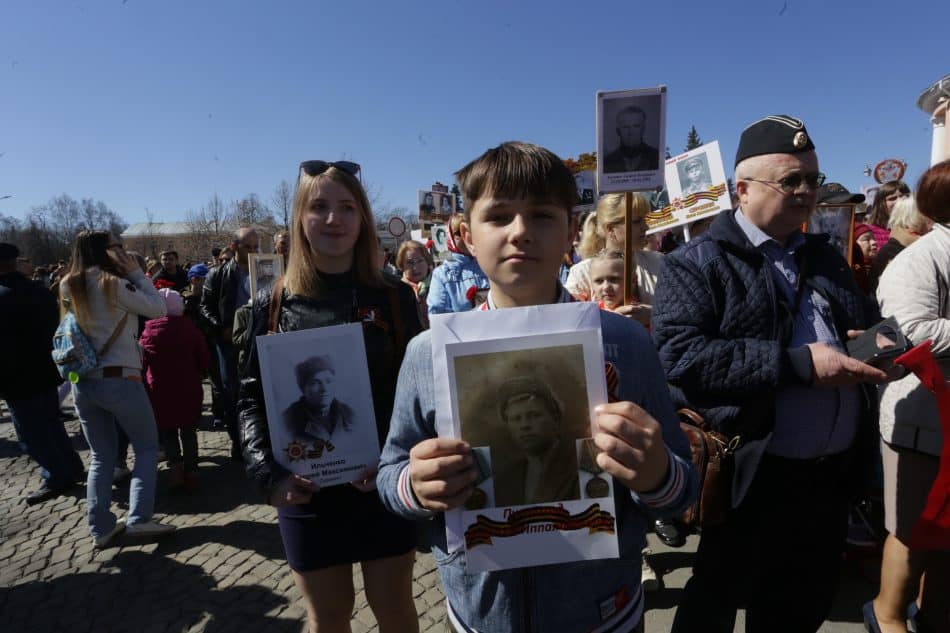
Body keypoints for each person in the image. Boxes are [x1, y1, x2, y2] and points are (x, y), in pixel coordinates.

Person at [377, 141, 697, 633]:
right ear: (465, 235)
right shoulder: (427, 353)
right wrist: (415, 487)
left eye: (542, 216)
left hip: (600, 612)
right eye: (499, 216)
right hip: (482, 612)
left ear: (571, 230)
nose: (521, 232)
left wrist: (656, 475)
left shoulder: (625, 344)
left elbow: (680, 486)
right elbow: (390, 473)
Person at [652, 115, 888, 633]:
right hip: (752, 473)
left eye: (813, 179)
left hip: (829, 477)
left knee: (799, 606)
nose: (807, 192)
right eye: (791, 181)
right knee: (717, 596)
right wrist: (798, 364)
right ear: (742, 189)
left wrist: (876, 341)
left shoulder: (826, 255)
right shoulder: (697, 262)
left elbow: (858, 323)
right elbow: (681, 355)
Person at [239, 160, 422, 633]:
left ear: (363, 219)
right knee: (328, 617)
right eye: (319, 207)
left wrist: (398, 462)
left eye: (346, 207)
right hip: (306, 490)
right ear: (300, 218)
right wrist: (268, 475)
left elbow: (423, 390)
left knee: (396, 611)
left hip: (382, 483)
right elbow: (248, 399)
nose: (333, 219)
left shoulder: (395, 297)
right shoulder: (272, 302)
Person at [867, 160, 950, 633]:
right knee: (914, 530)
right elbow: (909, 332)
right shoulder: (921, 258)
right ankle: (887, 615)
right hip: (922, 420)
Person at [59, 230, 176, 548]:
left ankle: (100, 528)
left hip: (83, 381)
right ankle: (139, 519)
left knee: (101, 457)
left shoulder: (68, 283)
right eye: (117, 247)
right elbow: (158, 309)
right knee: (148, 448)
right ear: (104, 251)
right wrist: (137, 273)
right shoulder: (112, 284)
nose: (122, 251)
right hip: (120, 377)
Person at [0, 242, 85, 505]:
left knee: (31, 433)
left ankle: (56, 476)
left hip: (17, 378)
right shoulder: (38, 290)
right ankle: (71, 466)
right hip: (46, 370)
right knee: (51, 423)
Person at [139, 289, 210, 491]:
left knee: (168, 432)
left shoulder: (148, 331)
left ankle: (175, 470)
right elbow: (204, 358)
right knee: (189, 432)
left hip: (160, 392)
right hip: (188, 388)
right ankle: (193, 472)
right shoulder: (190, 328)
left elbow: (142, 363)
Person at [200, 227, 259, 460]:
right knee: (232, 393)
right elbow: (204, 307)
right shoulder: (218, 274)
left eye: (257, 247)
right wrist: (221, 329)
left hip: (260, 341)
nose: (254, 251)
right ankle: (238, 440)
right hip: (229, 345)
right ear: (234, 247)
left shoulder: (266, 269)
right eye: (249, 247)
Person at [565, 192, 664, 328]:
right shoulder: (581, 273)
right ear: (610, 228)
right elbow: (568, 321)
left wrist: (654, 314)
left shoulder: (659, 262)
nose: (646, 227)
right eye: (636, 222)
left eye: (645, 220)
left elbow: (683, 311)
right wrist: (610, 319)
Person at [491, 376, 580, 507]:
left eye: (534, 415)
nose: (524, 425)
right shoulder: (505, 480)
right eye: (516, 419)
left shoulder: (579, 465)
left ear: (555, 419)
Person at [282, 356, 355, 446]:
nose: (324, 389)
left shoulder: (348, 413)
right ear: (303, 389)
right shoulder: (287, 420)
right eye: (315, 383)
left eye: (328, 381)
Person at [867, 195, 932, 295]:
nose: (932, 217)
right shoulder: (894, 252)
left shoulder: (917, 245)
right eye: (926, 212)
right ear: (913, 216)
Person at [426, 214, 489, 314]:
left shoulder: (488, 265)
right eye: (461, 232)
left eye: (473, 231)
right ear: (451, 237)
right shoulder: (441, 274)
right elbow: (437, 314)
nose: (468, 236)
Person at [603, 105, 660, 173]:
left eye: (636, 126)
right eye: (625, 127)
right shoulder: (606, 162)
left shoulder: (656, 158)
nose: (631, 132)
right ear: (618, 131)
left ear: (643, 129)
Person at [866, 180, 911, 250]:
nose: (898, 201)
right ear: (881, 204)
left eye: (903, 197)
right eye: (892, 198)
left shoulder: (921, 228)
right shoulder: (869, 232)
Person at [395, 239, 432, 326]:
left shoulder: (439, 285)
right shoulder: (396, 291)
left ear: (427, 261)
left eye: (420, 261)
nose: (415, 268)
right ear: (401, 265)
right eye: (410, 263)